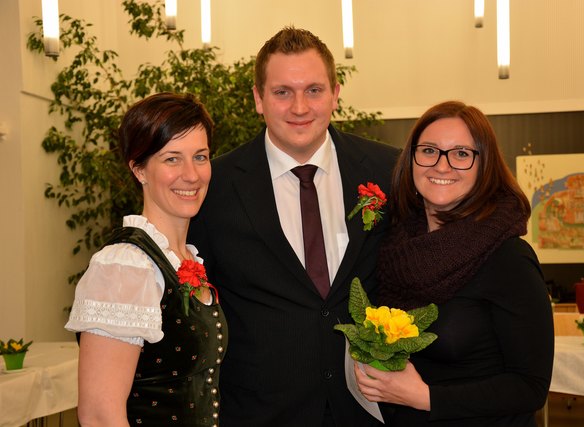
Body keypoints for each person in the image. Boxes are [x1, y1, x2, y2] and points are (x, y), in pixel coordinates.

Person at [188, 27, 399, 426]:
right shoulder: (214, 187)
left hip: (368, 410)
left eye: (314, 90)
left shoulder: (389, 170)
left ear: (335, 94)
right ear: (258, 99)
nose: (299, 107)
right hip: (259, 414)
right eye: (282, 92)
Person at [354, 100, 554, 426]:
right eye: (429, 151)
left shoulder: (508, 258)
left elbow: (530, 387)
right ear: (411, 160)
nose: (442, 166)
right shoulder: (393, 247)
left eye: (461, 154)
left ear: (484, 166)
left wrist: (425, 397)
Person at [65, 92, 226, 426]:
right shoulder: (126, 267)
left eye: (200, 156)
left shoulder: (183, 258)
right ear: (139, 169)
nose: (191, 174)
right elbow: (99, 415)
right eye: (172, 159)